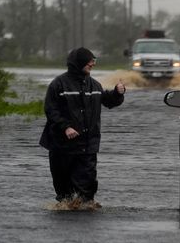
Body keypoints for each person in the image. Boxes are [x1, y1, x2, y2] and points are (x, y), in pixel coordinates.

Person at [39, 47, 126, 208]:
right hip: (61, 146)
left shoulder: (94, 85)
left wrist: (117, 93)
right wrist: (66, 127)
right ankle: (66, 211)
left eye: (94, 61)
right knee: (63, 191)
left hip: (87, 146)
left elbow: (108, 101)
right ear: (78, 62)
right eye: (90, 61)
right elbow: (51, 110)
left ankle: (86, 210)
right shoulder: (58, 84)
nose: (93, 64)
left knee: (86, 189)